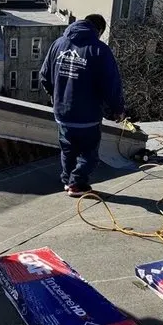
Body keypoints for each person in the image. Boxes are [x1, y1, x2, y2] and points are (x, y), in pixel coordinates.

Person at [40, 14, 125, 197]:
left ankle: (67, 180)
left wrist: (56, 97)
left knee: (68, 149)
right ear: (99, 30)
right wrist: (117, 109)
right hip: (87, 116)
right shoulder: (99, 50)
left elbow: (44, 76)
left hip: (62, 113)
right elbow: (111, 85)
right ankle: (76, 184)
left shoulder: (58, 44)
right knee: (89, 153)